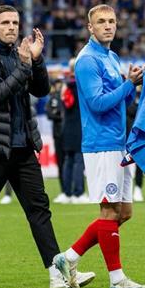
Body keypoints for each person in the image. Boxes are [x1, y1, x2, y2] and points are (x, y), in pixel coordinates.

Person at [0, 5, 93, 288]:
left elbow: (41, 90)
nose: (11, 27)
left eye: (15, 22)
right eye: (4, 23)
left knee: (39, 209)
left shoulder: (19, 55)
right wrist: (24, 65)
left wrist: (38, 60)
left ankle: (57, 274)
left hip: (22, 146)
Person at [57, 4, 145, 288]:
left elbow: (118, 100)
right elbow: (97, 103)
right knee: (109, 210)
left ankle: (68, 257)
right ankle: (117, 279)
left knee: (124, 212)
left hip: (118, 143)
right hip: (101, 145)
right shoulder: (87, 61)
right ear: (90, 27)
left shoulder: (111, 57)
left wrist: (131, 84)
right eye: (101, 22)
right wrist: (128, 85)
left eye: (111, 21)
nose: (108, 26)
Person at [60, 60, 87, 204]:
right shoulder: (81, 85)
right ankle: (79, 193)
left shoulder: (65, 85)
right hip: (79, 127)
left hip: (67, 127)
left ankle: (67, 193)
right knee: (78, 161)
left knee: (68, 160)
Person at [45, 77, 68, 203]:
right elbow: (49, 113)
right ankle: (64, 190)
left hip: (66, 134)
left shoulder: (64, 97)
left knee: (69, 162)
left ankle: (71, 190)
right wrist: (59, 114)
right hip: (58, 134)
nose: (59, 86)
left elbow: (57, 113)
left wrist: (57, 113)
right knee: (61, 163)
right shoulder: (53, 98)